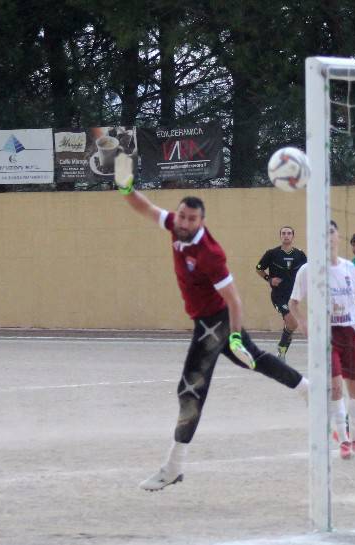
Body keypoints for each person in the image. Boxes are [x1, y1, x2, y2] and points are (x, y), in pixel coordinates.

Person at [113, 154, 308, 491]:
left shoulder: (210, 253)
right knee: (257, 361)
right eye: (183, 216)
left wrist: (232, 337)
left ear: (202, 221)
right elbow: (143, 207)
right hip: (207, 320)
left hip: (215, 322)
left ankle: (173, 467)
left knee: (189, 391)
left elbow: (234, 299)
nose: (185, 223)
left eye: (192, 219)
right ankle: (309, 390)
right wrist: (124, 184)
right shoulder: (175, 225)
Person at [289, 221, 355, 459]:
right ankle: (344, 441)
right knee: (336, 386)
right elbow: (293, 303)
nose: (327, 237)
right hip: (325, 335)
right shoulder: (308, 270)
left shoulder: (349, 267)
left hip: (348, 332)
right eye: (322, 233)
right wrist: (303, 323)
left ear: (338, 237)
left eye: (330, 232)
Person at [255, 226, 307, 361]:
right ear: (280, 236)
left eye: (289, 233)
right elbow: (259, 268)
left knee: (291, 324)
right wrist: (269, 279)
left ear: (293, 236)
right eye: (283, 233)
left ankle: (281, 351)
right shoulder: (272, 253)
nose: (286, 235)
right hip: (278, 296)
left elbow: (307, 271)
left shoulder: (299, 255)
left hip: (293, 296)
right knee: (293, 323)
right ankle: (281, 351)